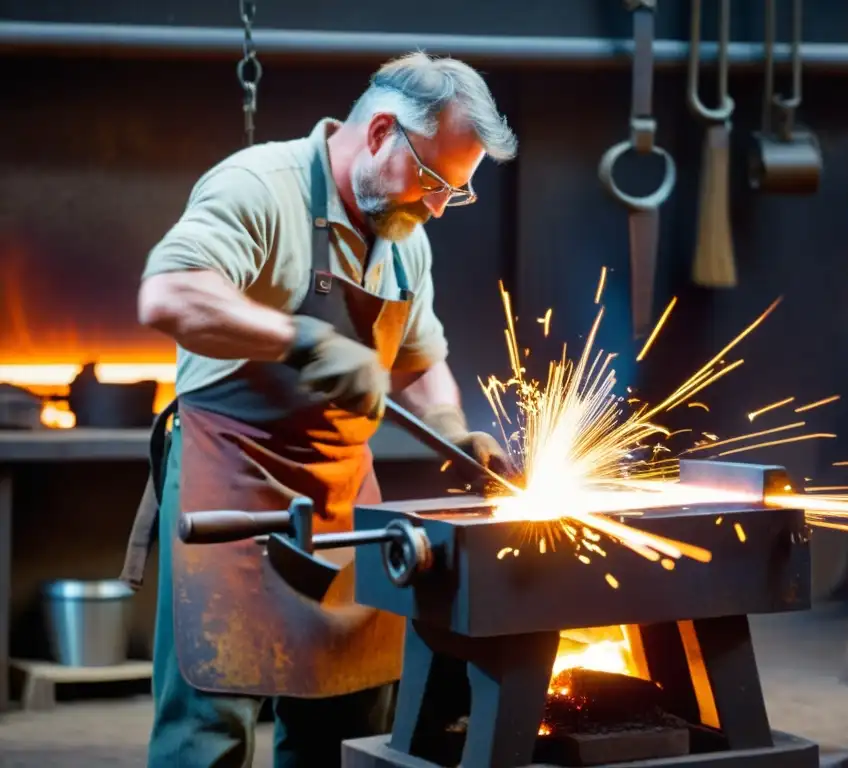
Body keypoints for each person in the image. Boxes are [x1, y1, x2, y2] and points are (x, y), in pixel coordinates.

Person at [120, 52, 517, 767]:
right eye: (433, 182)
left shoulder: (404, 241)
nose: (435, 206)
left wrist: (456, 433)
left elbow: (421, 364)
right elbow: (169, 294)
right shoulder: (259, 187)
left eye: (453, 193)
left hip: (339, 498)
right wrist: (298, 339)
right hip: (232, 487)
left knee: (349, 716)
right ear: (379, 134)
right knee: (209, 725)